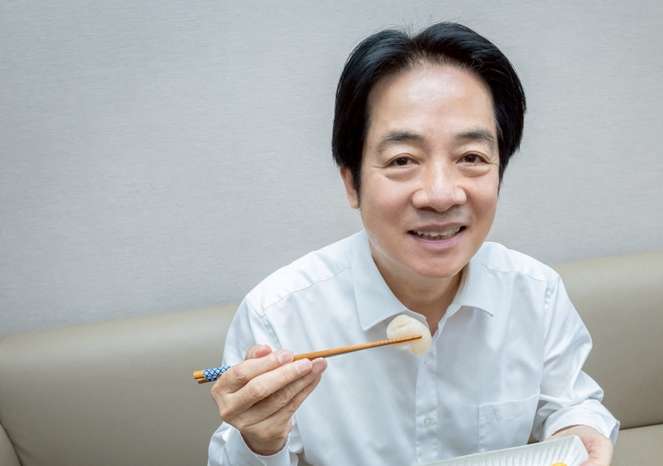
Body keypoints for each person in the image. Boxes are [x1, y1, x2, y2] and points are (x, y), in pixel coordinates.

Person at [207, 22, 619, 466]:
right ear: (352, 183)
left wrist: (579, 430)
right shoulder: (280, 315)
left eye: (471, 158)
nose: (441, 195)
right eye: (403, 160)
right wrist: (260, 440)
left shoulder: (537, 292)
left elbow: (569, 400)